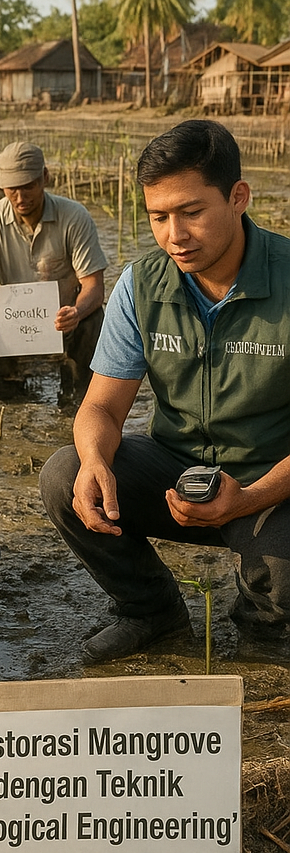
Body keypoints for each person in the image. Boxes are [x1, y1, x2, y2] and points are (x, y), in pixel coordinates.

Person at [40, 119, 290, 664]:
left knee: (282, 579)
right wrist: (94, 460)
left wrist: (247, 499)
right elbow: (102, 405)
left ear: (238, 197)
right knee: (65, 475)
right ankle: (151, 609)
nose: (174, 234)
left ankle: (262, 632)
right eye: (158, 216)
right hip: (178, 470)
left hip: (270, 477)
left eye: (192, 212)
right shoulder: (140, 285)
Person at [0, 141, 108, 400]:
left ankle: (78, 392)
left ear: (45, 178)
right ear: (1, 186)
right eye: (12, 189)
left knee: (93, 317)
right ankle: (3, 390)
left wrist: (76, 311)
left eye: (28, 186)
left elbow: (94, 286)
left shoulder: (74, 216)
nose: (20, 197)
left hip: (62, 319)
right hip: (13, 321)